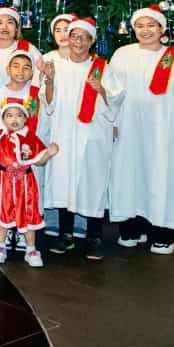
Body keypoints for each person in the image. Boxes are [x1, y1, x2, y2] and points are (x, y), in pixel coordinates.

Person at [106, 5, 174, 255]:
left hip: (163, 130)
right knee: (130, 174)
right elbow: (112, 89)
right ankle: (132, 227)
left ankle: (164, 233)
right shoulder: (123, 54)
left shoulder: (173, 55)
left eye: (151, 25)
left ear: (162, 29)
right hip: (130, 126)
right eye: (140, 26)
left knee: (162, 175)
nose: (145, 30)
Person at [42, 17, 114, 260]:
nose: (79, 42)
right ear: (68, 39)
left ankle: (94, 236)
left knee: (91, 183)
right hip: (64, 133)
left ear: (92, 41)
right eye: (75, 36)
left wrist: (101, 90)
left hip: (92, 136)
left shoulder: (102, 68)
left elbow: (116, 102)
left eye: (85, 38)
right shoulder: (57, 67)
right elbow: (48, 103)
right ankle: (66, 233)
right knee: (64, 180)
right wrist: (50, 80)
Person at [0, 98, 59, 267]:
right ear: (3, 118)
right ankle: (0, 246)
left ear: (25, 118)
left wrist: (49, 154)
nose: (14, 119)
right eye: (10, 115)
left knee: (28, 215)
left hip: (25, 183)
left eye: (19, 115)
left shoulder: (31, 138)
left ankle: (31, 249)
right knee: (2, 214)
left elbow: (39, 161)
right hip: (3, 181)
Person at [0, 4, 44, 89]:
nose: (4, 27)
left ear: (16, 28)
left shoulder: (28, 48)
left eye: (10, 22)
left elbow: (40, 77)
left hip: (21, 100)